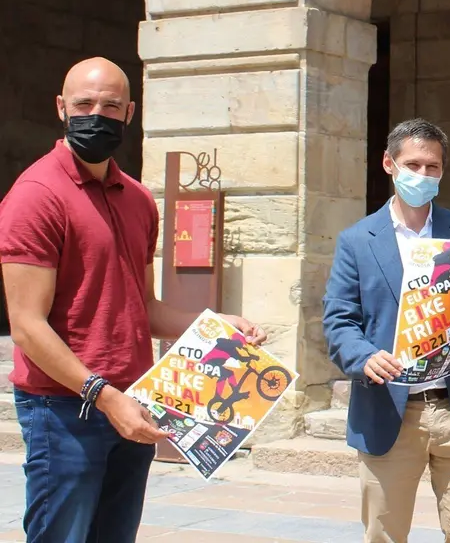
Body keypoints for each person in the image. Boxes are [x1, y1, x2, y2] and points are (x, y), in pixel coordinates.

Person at [0, 57, 267, 543]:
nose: (96, 114)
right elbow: (26, 325)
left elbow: (145, 309)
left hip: (136, 403)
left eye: (111, 106)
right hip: (65, 409)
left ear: (130, 114)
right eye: (84, 104)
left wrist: (215, 326)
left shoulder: (138, 199)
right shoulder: (36, 195)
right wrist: (103, 396)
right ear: (61, 107)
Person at [322, 118, 450, 543]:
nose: (422, 175)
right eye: (412, 165)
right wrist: (363, 356)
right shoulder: (357, 241)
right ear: (389, 163)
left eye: (432, 167)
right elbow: (338, 319)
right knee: (384, 533)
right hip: (388, 408)